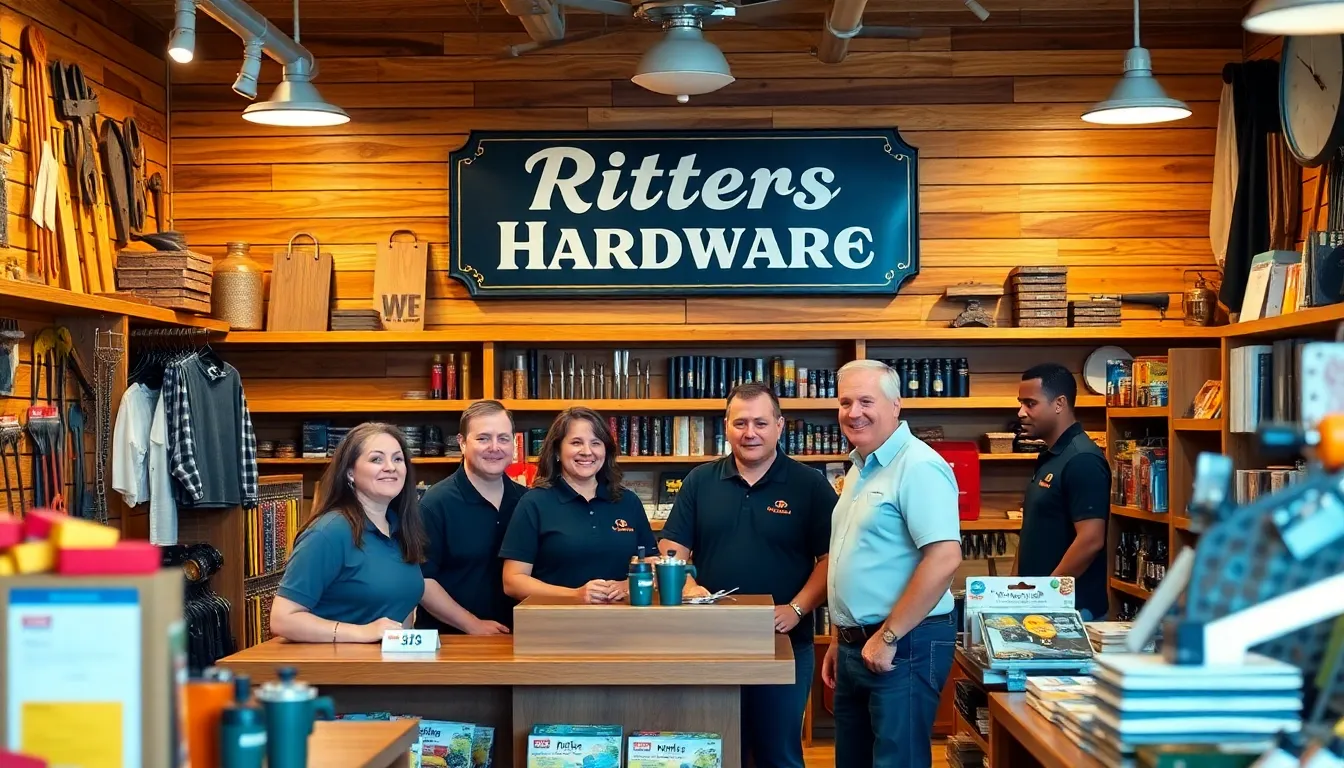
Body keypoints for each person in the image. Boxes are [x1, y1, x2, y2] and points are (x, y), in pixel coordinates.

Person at [659, 383, 836, 768]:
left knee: (780, 753)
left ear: (779, 426)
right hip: (711, 639)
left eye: (760, 422)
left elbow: (831, 560)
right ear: (726, 426)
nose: (750, 432)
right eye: (740, 422)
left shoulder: (810, 486)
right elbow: (672, 549)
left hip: (784, 640)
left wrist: (797, 608)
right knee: (716, 748)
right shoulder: (699, 481)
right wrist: (687, 584)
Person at [822, 360, 963, 768]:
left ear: (896, 405)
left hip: (904, 643)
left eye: (867, 400)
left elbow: (944, 557)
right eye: (845, 402)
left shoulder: (918, 466)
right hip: (857, 643)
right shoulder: (860, 467)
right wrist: (838, 637)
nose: (854, 412)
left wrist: (887, 636)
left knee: (896, 761)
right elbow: (856, 556)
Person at [270, 422, 427, 643]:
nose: (391, 467)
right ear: (350, 472)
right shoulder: (329, 532)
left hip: (389, 670)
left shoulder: (401, 528)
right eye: (376, 459)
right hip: (340, 671)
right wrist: (362, 632)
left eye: (398, 459)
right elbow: (282, 619)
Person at [500, 407, 657, 604]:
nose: (587, 452)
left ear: (606, 451)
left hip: (623, 624)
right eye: (576, 443)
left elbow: (652, 563)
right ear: (557, 451)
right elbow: (513, 581)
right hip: (556, 626)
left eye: (596, 443)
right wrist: (575, 595)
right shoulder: (534, 503)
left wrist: (627, 584)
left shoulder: (628, 501)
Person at [416, 400, 525, 635]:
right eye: (483, 438)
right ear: (462, 443)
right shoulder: (434, 504)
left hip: (517, 638)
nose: (494, 447)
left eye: (503, 438)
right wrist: (471, 624)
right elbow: (422, 582)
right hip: (451, 642)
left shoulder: (526, 501)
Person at [1015, 362, 1110, 620]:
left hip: (1071, 612)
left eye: (1030, 403)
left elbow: (1090, 540)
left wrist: (1046, 593)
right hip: (1040, 608)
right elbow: (1032, 530)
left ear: (1059, 404)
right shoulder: (1050, 456)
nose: (1020, 412)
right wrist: (1014, 592)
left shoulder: (1083, 459)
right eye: (1020, 403)